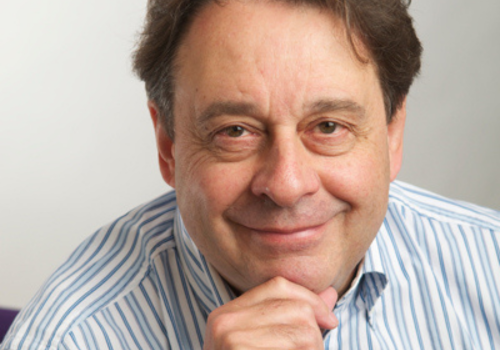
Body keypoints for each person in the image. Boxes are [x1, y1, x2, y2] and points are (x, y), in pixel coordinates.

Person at [2, 0, 499, 349]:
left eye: (328, 126)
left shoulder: (490, 267)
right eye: (235, 131)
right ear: (168, 146)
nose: (286, 185)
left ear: (392, 133)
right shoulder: (70, 337)